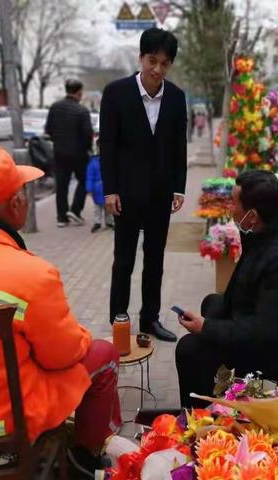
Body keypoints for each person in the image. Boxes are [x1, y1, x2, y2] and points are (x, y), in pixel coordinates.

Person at [0, 146, 134, 477]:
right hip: (1, 431)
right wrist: (82, 335)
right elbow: (62, 356)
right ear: (15, 204)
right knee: (103, 352)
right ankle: (89, 456)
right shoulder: (30, 274)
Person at [175, 170, 278, 407]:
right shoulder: (266, 231)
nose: (230, 208)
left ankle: (199, 419)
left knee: (190, 349)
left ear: (253, 215)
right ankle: (214, 390)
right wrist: (212, 323)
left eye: (234, 202)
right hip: (269, 324)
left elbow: (265, 333)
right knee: (212, 303)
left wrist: (207, 328)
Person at [100, 27, 187, 342]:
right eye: (152, 61)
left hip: (161, 194)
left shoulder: (176, 97)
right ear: (141, 57)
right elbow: (107, 145)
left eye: (165, 64)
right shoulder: (116, 93)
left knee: (155, 259)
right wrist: (109, 190)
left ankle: (150, 319)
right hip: (125, 194)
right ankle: (118, 319)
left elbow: (180, 146)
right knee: (123, 259)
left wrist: (179, 187)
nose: (157, 69)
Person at [45, 79, 93, 228]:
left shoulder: (54, 107)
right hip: (79, 154)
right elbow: (87, 134)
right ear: (79, 92)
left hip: (59, 152)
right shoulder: (82, 111)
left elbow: (49, 129)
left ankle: (61, 218)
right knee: (84, 180)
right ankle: (75, 210)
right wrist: (87, 149)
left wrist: (58, 141)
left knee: (62, 184)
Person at [86, 149, 114, 233]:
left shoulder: (109, 162)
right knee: (98, 207)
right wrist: (89, 188)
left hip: (106, 188)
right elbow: (89, 177)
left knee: (108, 206)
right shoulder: (93, 163)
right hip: (98, 189)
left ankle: (108, 221)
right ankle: (97, 222)